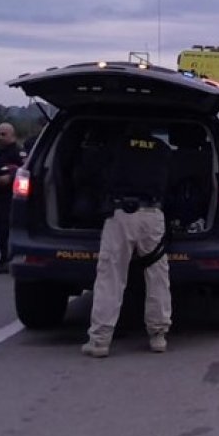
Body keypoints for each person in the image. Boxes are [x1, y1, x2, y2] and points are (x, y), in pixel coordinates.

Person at [83, 124, 173, 358]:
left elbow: (95, 176)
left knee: (111, 276)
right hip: (152, 215)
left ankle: (100, 340)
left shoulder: (114, 147)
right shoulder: (162, 149)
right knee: (157, 275)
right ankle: (158, 335)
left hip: (120, 214)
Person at [0, 122, 23, 273]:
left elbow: (26, 169)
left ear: (12, 135)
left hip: (9, 197)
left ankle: (10, 259)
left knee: (7, 229)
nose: (0, 137)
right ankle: (3, 258)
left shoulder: (18, 152)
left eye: (3, 134)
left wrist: (11, 176)